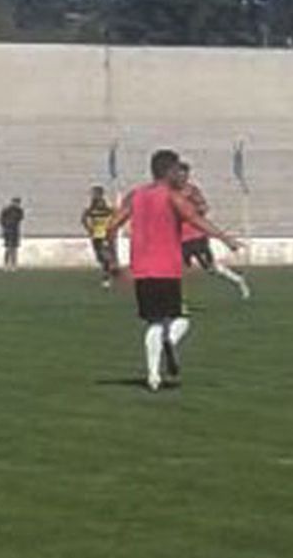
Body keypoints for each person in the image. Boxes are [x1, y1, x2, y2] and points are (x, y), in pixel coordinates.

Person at [108, 149, 241, 392]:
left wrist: (113, 261)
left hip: (142, 270)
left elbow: (112, 226)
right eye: (178, 169)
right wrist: (225, 238)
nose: (181, 174)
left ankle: (153, 377)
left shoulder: (136, 195)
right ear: (168, 171)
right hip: (167, 269)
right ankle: (170, 342)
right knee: (180, 320)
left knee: (154, 323)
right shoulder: (171, 197)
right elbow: (195, 219)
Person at [175, 162, 251, 300]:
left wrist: (192, 211)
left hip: (196, 236)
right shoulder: (171, 192)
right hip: (180, 238)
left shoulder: (192, 191)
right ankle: (178, 301)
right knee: (177, 269)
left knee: (211, 269)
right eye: (178, 174)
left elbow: (204, 208)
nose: (181, 177)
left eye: (184, 174)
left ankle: (238, 280)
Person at [81, 186, 119, 289]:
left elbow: (114, 214)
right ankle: (111, 269)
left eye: (94, 193)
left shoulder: (103, 205)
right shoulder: (91, 207)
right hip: (96, 235)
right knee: (100, 257)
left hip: (105, 235)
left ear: (99, 194)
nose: (92, 195)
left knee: (105, 256)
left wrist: (111, 227)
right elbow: (84, 218)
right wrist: (89, 229)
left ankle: (106, 278)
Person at [0, 197, 24, 270]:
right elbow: (1, 219)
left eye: (18, 203)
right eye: (16, 202)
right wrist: (6, 226)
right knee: (8, 248)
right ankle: (6, 264)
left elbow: (20, 218)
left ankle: (14, 265)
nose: (17, 204)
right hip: (8, 231)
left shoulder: (19, 211)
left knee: (14, 248)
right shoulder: (7, 210)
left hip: (15, 230)